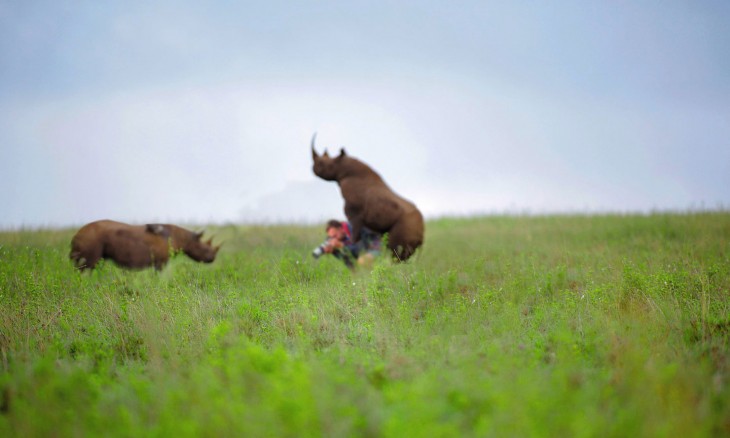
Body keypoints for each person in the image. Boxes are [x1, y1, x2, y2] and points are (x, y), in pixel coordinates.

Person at [312, 219, 381, 267]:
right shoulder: (341, 238)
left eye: (335, 235)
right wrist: (335, 251)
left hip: (377, 245)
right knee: (358, 265)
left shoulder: (354, 227)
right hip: (366, 250)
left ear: (341, 229)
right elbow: (351, 263)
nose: (334, 239)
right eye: (332, 237)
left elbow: (361, 250)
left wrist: (341, 245)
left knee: (362, 261)